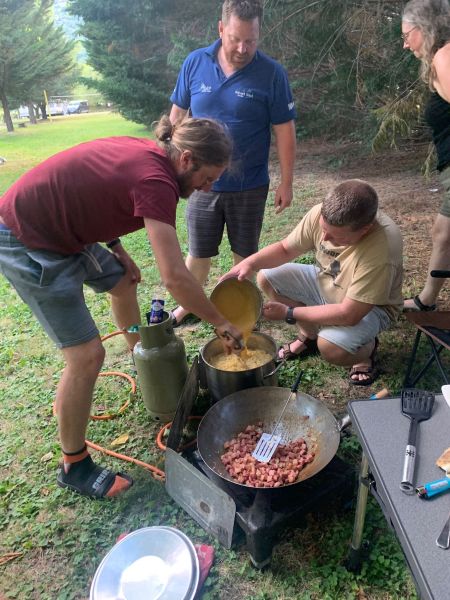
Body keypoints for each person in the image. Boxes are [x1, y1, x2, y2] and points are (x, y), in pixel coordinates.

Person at [0, 115, 243, 499]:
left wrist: (115, 247)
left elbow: (92, 191)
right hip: (26, 236)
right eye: (208, 178)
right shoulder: (157, 182)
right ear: (186, 159)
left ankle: (136, 352)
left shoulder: (153, 155)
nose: (207, 188)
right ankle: (74, 465)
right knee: (86, 357)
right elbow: (175, 277)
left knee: (123, 282)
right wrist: (220, 322)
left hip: (65, 230)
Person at [169, 0, 297, 326]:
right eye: (235, 39)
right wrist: (173, 165)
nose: (243, 48)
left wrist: (286, 181)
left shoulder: (271, 74)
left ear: (259, 34)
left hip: (249, 183)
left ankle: (244, 309)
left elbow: (284, 130)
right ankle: (188, 306)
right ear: (221, 28)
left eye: (251, 41)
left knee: (245, 254)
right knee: (198, 253)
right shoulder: (195, 63)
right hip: (200, 183)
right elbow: (178, 116)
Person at [223, 179, 403, 386]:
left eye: (337, 237)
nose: (324, 238)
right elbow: (285, 249)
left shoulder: (382, 249)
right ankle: (308, 336)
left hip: (370, 309)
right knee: (267, 277)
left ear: (364, 230)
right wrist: (249, 264)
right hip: (329, 282)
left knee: (330, 347)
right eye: (323, 228)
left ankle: (366, 349)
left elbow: (349, 314)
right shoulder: (324, 213)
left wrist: (288, 313)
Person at [402, 0, 450, 312]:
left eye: (407, 35)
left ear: (424, 28)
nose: (405, 44)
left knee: (443, 232)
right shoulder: (441, 57)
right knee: (442, 232)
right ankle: (426, 301)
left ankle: (425, 302)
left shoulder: (445, 57)